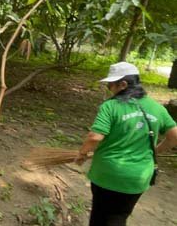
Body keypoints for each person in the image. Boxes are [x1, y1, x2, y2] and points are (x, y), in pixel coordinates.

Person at [75, 62, 177, 226]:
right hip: (138, 177)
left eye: (111, 85)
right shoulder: (157, 108)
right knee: (119, 217)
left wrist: (82, 154)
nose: (109, 88)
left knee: (99, 216)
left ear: (123, 84)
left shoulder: (111, 106)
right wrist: (155, 151)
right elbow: (175, 137)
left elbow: (94, 137)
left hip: (107, 174)